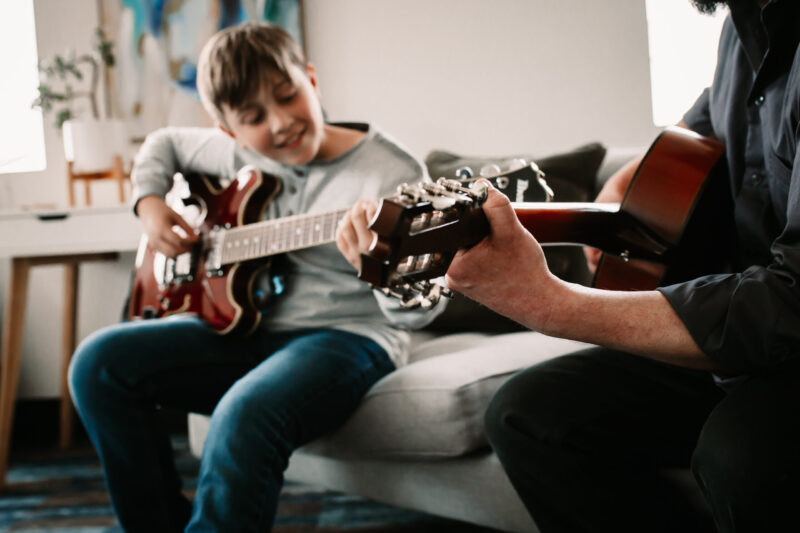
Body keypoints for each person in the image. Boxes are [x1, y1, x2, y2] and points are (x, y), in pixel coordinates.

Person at [68, 21, 444, 532]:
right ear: (230, 132)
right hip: (246, 328)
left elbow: (423, 309)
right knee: (96, 364)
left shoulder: (390, 174)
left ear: (312, 80)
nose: (281, 122)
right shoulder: (235, 154)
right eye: (253, 117)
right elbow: (162, 144)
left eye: (289, 96)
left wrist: (383, 271)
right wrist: (149, 204)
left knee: (242, 412)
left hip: (347, 336)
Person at [445, 0, 800, 531]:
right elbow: (700, 126)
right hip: (738, 339)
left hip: (783, 336)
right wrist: (625, 182)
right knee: (527, 416)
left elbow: (788, 303)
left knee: (740, 462)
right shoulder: (742, 27)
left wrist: (546, 302)